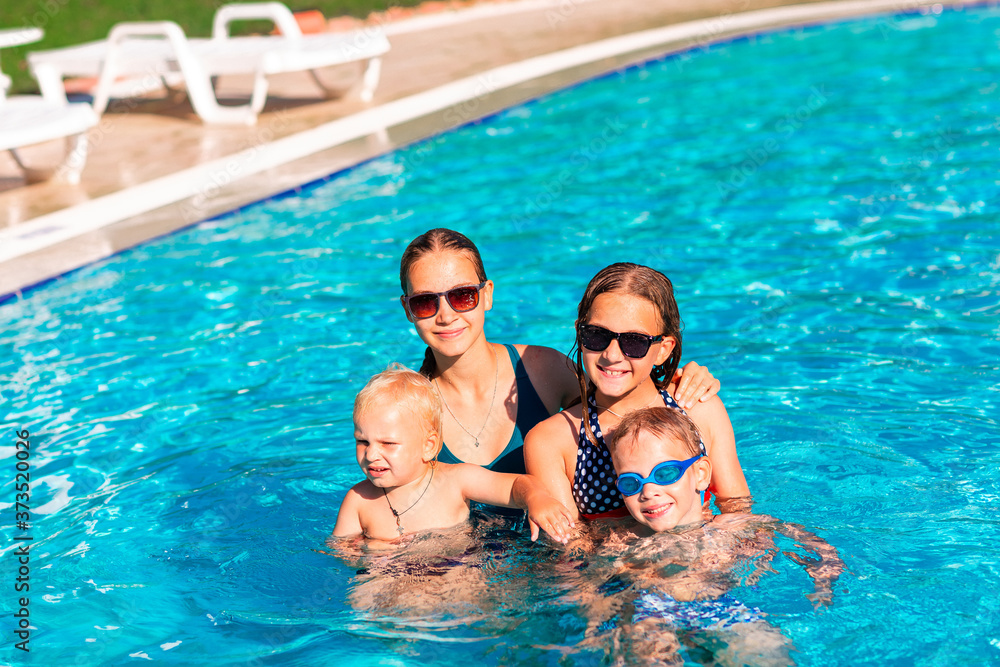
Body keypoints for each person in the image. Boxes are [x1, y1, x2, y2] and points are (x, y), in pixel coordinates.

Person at [398, 229, 721, 478]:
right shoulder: (406, 409)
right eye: (425, 302)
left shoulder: (543, 370)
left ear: (487, 295)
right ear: (408, 310)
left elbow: (616, 387)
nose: (445, 315)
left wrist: (676, 377)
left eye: (463, 295)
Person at [558, 407, 843, 666]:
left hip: (721, 606)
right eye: (631, 482)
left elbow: (802, 537)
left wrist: (823, 572)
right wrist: (594, 623)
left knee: (768, 655)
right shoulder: (622, 539)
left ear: (701, 473)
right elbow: (591, 582)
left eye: (665, 473)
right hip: (650, 611)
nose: (648, 491)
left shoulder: (731, 525)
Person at [524, 262, 751, 520]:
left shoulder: (699, 408)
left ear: (663, 350)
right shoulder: (552, 441)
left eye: (634, 341)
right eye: (597, 335)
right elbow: (572, 550)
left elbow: (737, 509)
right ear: (580, 332)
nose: (611, 355)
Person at [332, 364, 574, 543]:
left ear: (428, 446)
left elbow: (516, 485)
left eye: (387, 443)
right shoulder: (358, 501)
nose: (371, 454)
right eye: (362, 441)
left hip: (456, 580)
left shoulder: (456, 481)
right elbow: (341, 553)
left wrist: (535, 499)